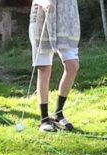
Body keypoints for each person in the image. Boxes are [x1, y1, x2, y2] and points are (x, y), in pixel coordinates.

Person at [30, 0, 81, 133]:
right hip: (42, 19)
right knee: (44, 69)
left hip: (65, 21)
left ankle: (58, 114)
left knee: (72, 66)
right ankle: (44, 119)